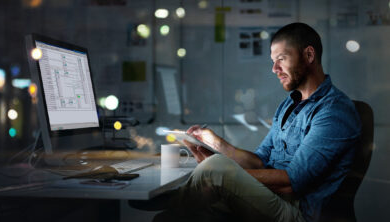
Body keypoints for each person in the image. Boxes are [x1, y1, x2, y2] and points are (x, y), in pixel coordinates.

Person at [132, 22, 362, 222]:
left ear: (309, 55)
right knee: (168, 218)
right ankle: (180, 198)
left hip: (297, 212)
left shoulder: (334, 111)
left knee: (211, 174)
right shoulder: (288, 105)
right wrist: (216, 145)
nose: (275, 69)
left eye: (281, 59)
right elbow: (259, 163)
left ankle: (176, 196)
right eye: (273, 61)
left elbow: (292, 183)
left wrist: (222, 174)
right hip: (271, 199)